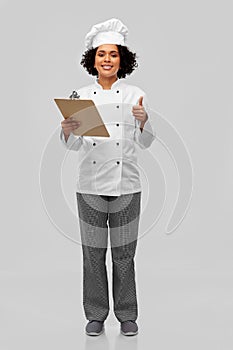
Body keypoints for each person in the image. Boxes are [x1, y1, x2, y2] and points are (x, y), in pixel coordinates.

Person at [60, 18, 156, 336]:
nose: (107, 59)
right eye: (102, 54)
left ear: (122, 59)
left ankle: (127, 314)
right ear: (93, 59)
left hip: (127, 185)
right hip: (89, 185)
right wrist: (66, 131)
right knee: (92, 254)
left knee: (125, 255)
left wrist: (143, 122)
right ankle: (96, 315)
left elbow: (145, 142)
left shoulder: (135, 94)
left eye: (113, 54)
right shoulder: (81, 95)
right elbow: (75, 146)